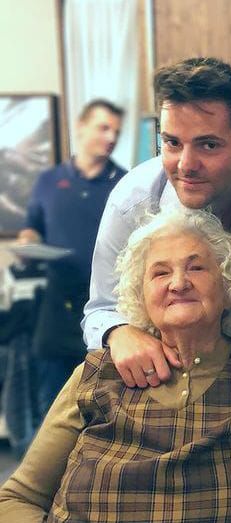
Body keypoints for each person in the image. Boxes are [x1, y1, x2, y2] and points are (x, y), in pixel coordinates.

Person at [0, 208, 231, 523]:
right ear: (141, 296)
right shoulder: (96, 375)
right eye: (160, 272)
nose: (178, 283)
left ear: (229, 288)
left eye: (196, 268)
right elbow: (17, 499)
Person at [83, 57, 231, 391]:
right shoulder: (131, 203)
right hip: (168, 347)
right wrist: (118, 332)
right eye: (172, 143)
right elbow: (100, 309)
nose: (186, 165)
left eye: (208, 145)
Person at [17, 99, 126, 418]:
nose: (111, 138)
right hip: (57, 304)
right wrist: (28, 242)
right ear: (80, 127)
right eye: (103, 128)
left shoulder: (124, 183)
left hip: (109, 304)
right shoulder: (48, 181)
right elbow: (33, 227)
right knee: (50, 403)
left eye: (116, 132)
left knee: (101, 403)